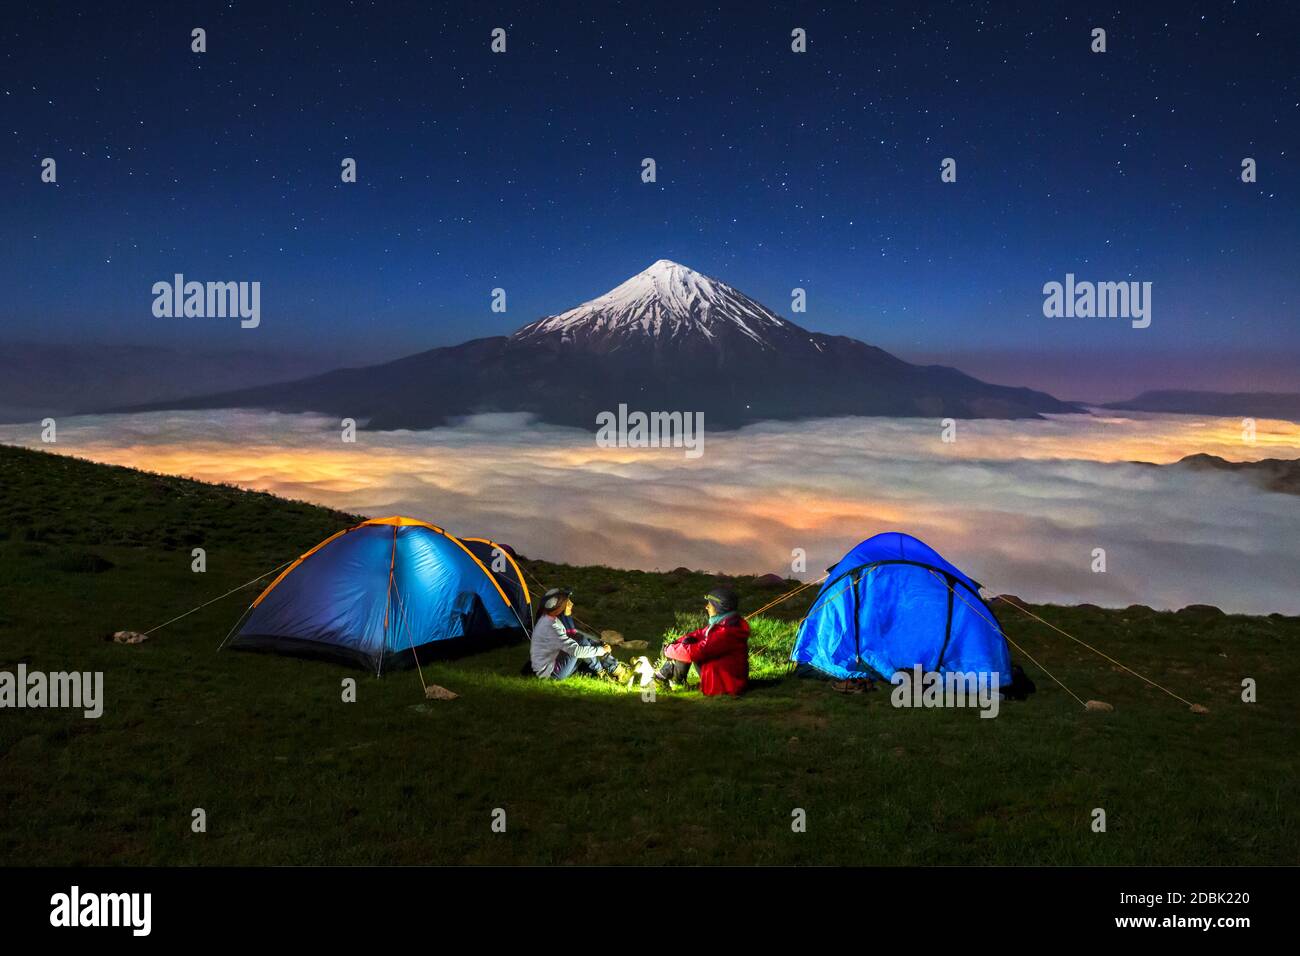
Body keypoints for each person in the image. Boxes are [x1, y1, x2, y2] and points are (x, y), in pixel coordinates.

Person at [655, 586, 749, 695]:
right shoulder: (724, 624)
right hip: (724, 678)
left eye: (710, 604)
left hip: (725, 686)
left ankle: (666, 678)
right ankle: (671, 679)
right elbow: (699, 634)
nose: (706, 607)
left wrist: (668, 650)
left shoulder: (726, 632)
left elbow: (696, 652)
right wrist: (675, 643)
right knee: (688, 641)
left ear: (719, 607)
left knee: (687, 648)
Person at [530, 587, 629, 683]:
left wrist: (600, 644)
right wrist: (602, 650)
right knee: (581, 641)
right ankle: (604, 672)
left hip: (556, 664)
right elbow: (576, 650)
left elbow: (572, 635)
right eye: (567, 601)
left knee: (584, 642)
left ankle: (614, 668)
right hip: (552, 674)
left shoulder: (551, 619)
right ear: (559, 605)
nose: (571, 603)